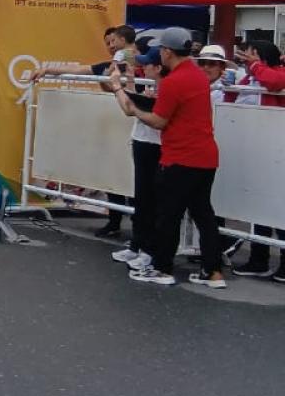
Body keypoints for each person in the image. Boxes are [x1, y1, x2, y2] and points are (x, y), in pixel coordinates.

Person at [109, 27, 226, 289]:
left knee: (168, 215)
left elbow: (159, 121)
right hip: (206, 156)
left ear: (167, 52)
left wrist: (136, 110)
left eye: (161, 50)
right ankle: (213, 271)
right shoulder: (197, 76)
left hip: (180, 157)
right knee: (203, 215)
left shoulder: (174, 81)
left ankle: (162, 267)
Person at [32, 24, 139, 238]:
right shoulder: (109, 66)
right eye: (107, 44)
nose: (110, 47)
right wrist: (48, 70)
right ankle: (115, 222)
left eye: (113, 42)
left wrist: (128, 71)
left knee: (136, 180)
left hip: (140, 129)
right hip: (115, 128)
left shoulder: (145, 65)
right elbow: (79, 70)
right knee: (114, 177)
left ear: (125, 40)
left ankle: (141, 232)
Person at [226, 41, 285, 280]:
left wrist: (255, 66)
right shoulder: (248, 79)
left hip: (276, 153)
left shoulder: (277, 73)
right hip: (253, 152)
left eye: (249, 54)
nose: (245, 58)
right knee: (257, 210)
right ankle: (258, 259)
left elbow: (275, 82)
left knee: (278, 211)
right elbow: (231, 101)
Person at [108, 46, 167, 271]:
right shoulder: (155, 87)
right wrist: (130, 84)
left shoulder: (168, 88)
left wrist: (117, 87)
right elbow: (135, 104)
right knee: (141, 198)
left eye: (147, 64)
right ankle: (137, 244)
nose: (143, 66)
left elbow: (130, 108)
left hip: (156, 146)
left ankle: (149, 250)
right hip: (143, 142)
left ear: (159, 66)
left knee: (150, 200)